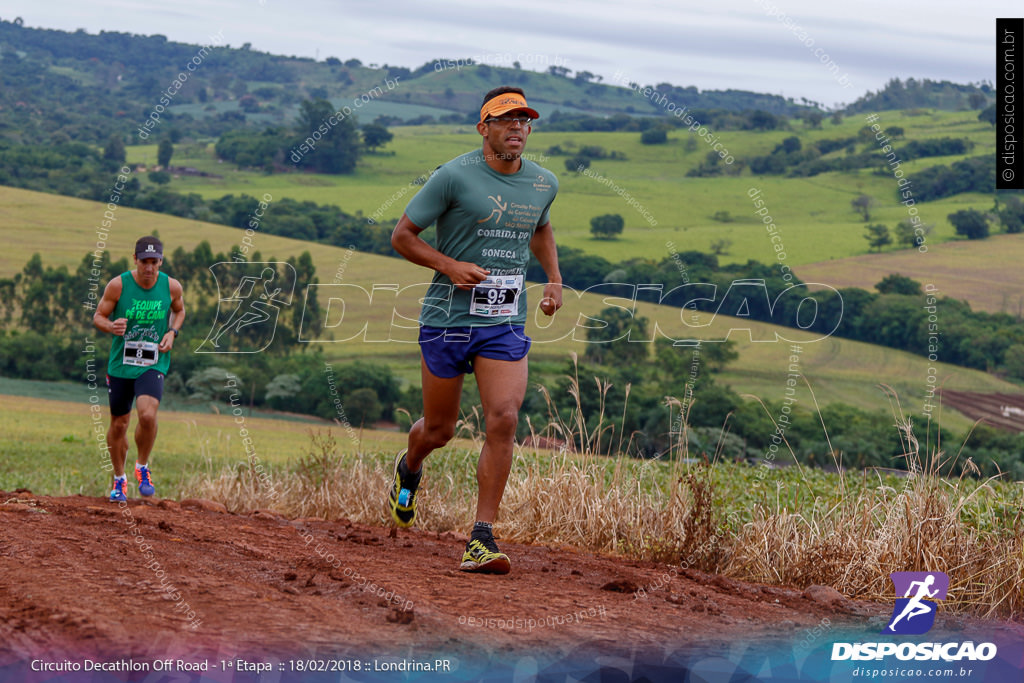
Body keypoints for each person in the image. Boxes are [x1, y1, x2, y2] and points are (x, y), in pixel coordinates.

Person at [388, 86, 562, 574]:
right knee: (438, 431)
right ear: (483, 127)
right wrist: (449, 266)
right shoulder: (453, 176)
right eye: (507, 120)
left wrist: (552, 279)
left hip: (503, 322)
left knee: (503, 417)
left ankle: (481, 538)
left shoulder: (543, 183)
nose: (517, 129)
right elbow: (402, 236)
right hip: (447, 319)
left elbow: (541, 228)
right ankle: (410, 467)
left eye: (525, 121)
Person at [94, 236, 185, 502]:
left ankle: (142, 467)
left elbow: (179, 311)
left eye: (154, 262)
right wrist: (111, 326)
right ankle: (119, 479)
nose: (149, 267)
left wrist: (173, 332)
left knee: (147, 415)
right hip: (121, 363)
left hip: (152, 361)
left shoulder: (171, 286)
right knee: (119, 424)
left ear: (161, 261)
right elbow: (98, 316)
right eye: (144, 261)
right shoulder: (118, 285)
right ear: (135, 260)